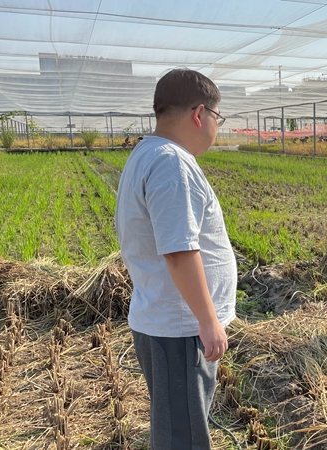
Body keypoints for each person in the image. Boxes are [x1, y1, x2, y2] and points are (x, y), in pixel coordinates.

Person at [115, 68, 235, 449]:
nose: (217, 127)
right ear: (200, 115)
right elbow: (180, 252)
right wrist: (208, 319)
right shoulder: (171, 163)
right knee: (182, 438)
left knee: (178, 427)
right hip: (180, 329)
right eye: (218, 118)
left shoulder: (149, 153)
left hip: (170, 321)